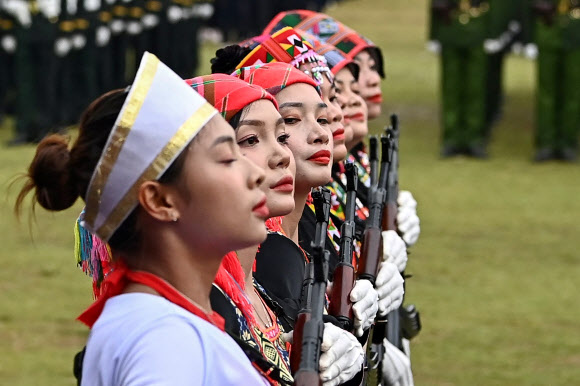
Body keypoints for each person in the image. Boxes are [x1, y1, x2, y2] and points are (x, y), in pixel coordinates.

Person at [15, 52, 271, 385]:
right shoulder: (162, 339)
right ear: (160, 200)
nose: (257, 174)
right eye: (226, 157)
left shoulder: (158, 322)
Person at [524, 0, 580, 162]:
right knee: (546, 93)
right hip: (548, 28)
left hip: (575, 32)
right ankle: (546, 143)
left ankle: (567, 143)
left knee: (572, 92)